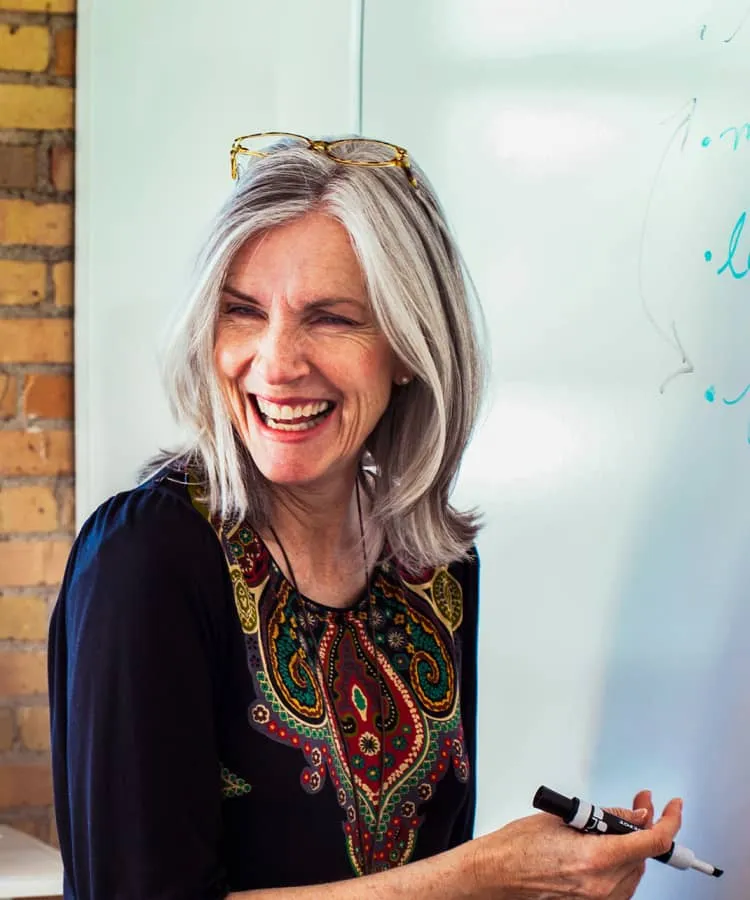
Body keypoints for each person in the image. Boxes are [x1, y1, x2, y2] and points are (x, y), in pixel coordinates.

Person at [48, 133, 682, 899]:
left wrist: (554, 881)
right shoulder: (148, 559)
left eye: (332, 318)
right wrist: (487, 875)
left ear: (409, 347)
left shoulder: (434, 565)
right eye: (243, 312)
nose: (277, 364)